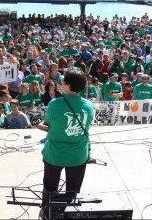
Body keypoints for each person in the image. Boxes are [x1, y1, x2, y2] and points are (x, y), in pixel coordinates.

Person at [40, 70, 94, 218]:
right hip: (77, 155)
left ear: (68, 85)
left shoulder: (55, 103)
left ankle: (48, 211)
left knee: (50, 187)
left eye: (64, 81)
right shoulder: (89, 105)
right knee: (73, 190)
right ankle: (68, 213)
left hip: (54, 154)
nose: (61, 83)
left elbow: (49, 121)